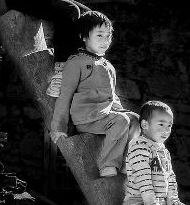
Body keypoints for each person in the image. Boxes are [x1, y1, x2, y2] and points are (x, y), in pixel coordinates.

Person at [50, 10, 140, 176]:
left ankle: (126, 163)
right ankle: (108, 166)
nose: (105, 41)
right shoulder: (76, 62)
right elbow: (65, 95)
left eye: (108, 36)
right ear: (84, 36)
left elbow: (113, 97)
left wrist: (122, 112)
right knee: (121, 121)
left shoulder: (108, 66)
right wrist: (58, 127)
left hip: (104, 115)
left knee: (135, 119)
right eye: (99, 35)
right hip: (86, 118)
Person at [123, 101, 190, 205]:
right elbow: (143, 177)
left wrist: (172, 199)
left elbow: (170, 177)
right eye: (161, 124)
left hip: (157, 204)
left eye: (169, 125)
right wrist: (151, 202)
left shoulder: (163, 151)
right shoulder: (139, 146)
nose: (166, 130)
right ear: (145, 125)